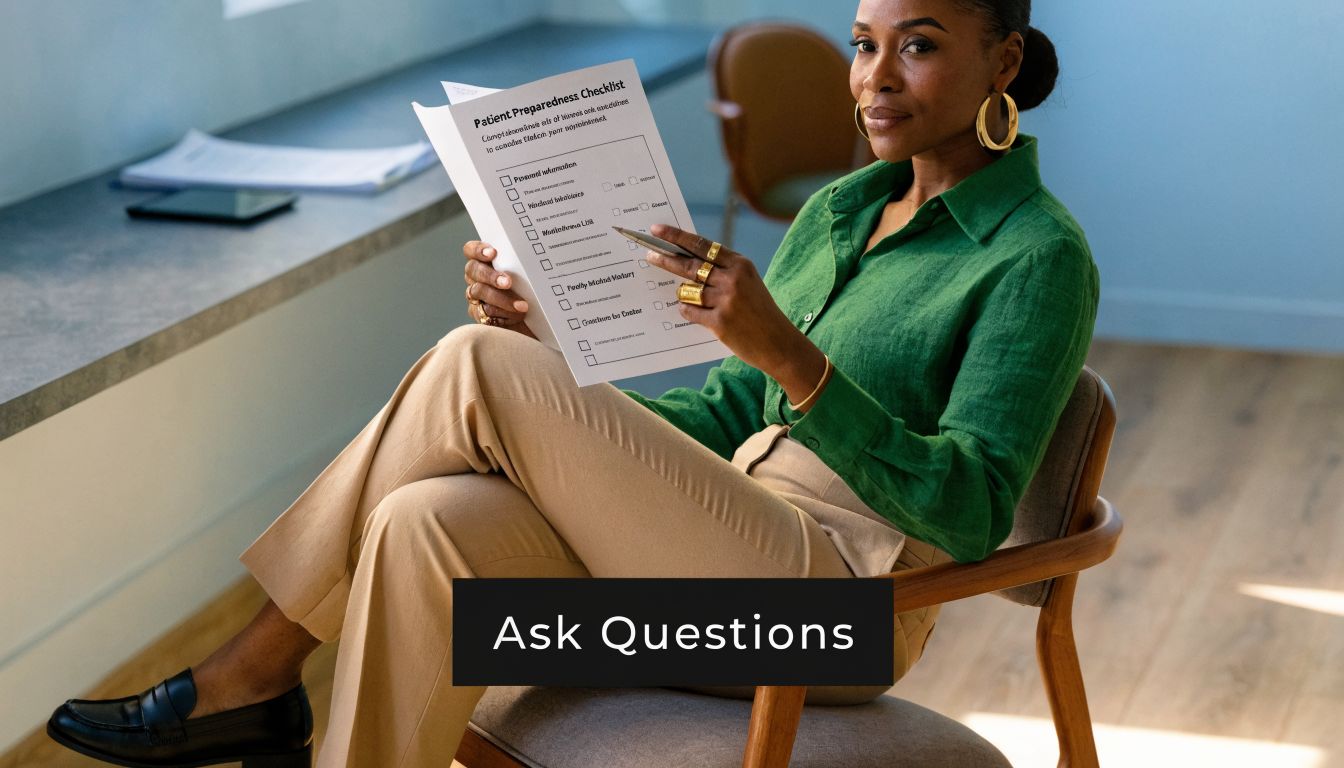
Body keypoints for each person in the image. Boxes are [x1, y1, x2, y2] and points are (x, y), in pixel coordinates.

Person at [46, 0, 1098, 765]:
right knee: (427, 520)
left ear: (1002, 60)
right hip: (720, 564)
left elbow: (968, 513)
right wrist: (550, 388)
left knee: (473, 362)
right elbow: (736, 414)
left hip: (836, 624)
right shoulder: (841, 213)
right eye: (864, 44)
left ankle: (255, 672)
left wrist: (793, 357)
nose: (875, 77)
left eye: (919, 46)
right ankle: (275, 704)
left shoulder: (1036, 257)